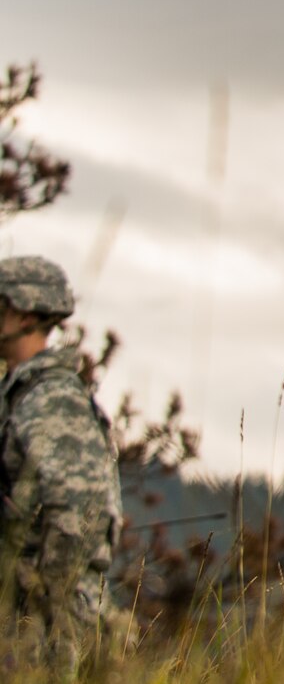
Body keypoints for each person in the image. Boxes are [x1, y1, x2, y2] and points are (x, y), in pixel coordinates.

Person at [0, 256, 120, 674]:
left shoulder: (51, 399)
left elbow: (77, 512)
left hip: (44, 623)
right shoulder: (19, 394)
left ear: (27, 313)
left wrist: (43, 595)